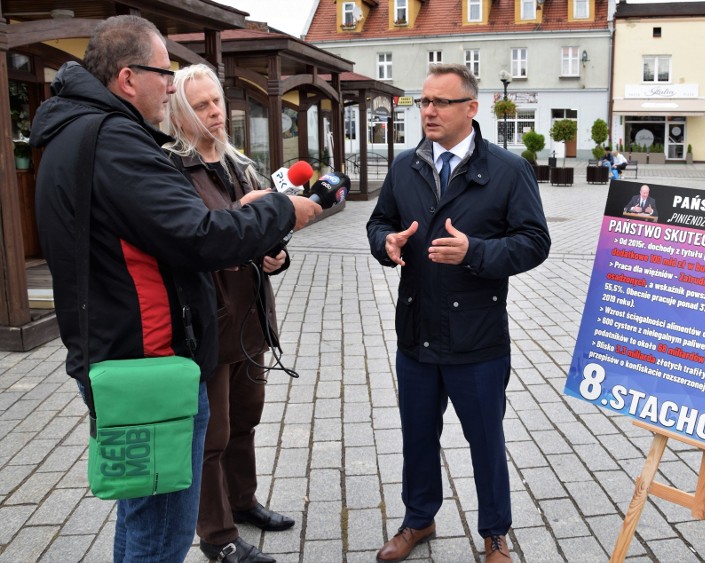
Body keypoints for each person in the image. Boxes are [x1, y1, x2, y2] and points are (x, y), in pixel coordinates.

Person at [30, 15, 321, 562]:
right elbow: (197, 236)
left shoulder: (77, 133)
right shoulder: (115, 140)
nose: (171, 85)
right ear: (125, 77)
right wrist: (284, 211)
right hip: (150, 365)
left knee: (141, 516)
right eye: (163, 73)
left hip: (122, 357)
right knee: (161, 531)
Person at [366, 63, 550, 563]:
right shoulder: (405, 166)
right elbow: (379, 220)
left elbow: (535, 243)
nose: (428, 111)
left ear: (471, 108)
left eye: (441, 102)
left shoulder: (509, 170)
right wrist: (386, 243)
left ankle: (494, 534)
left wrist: (475, 252)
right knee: (417, 435)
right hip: (417, 331)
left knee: (486, 439)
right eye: (423, 101)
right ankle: (418, 519)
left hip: (478, 337)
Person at [164, 64, 294, 563]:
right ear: (179, 112)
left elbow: (261, 235)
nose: (215, 112)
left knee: (246, 418)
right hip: (209, 322)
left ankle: (243, 502)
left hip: (250, 318)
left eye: (216, 101)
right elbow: (194, 241)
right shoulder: (173, 168)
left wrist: (275, 257)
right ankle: (217, 536)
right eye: (201, 105)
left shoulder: (241, 163)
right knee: (212, 433)